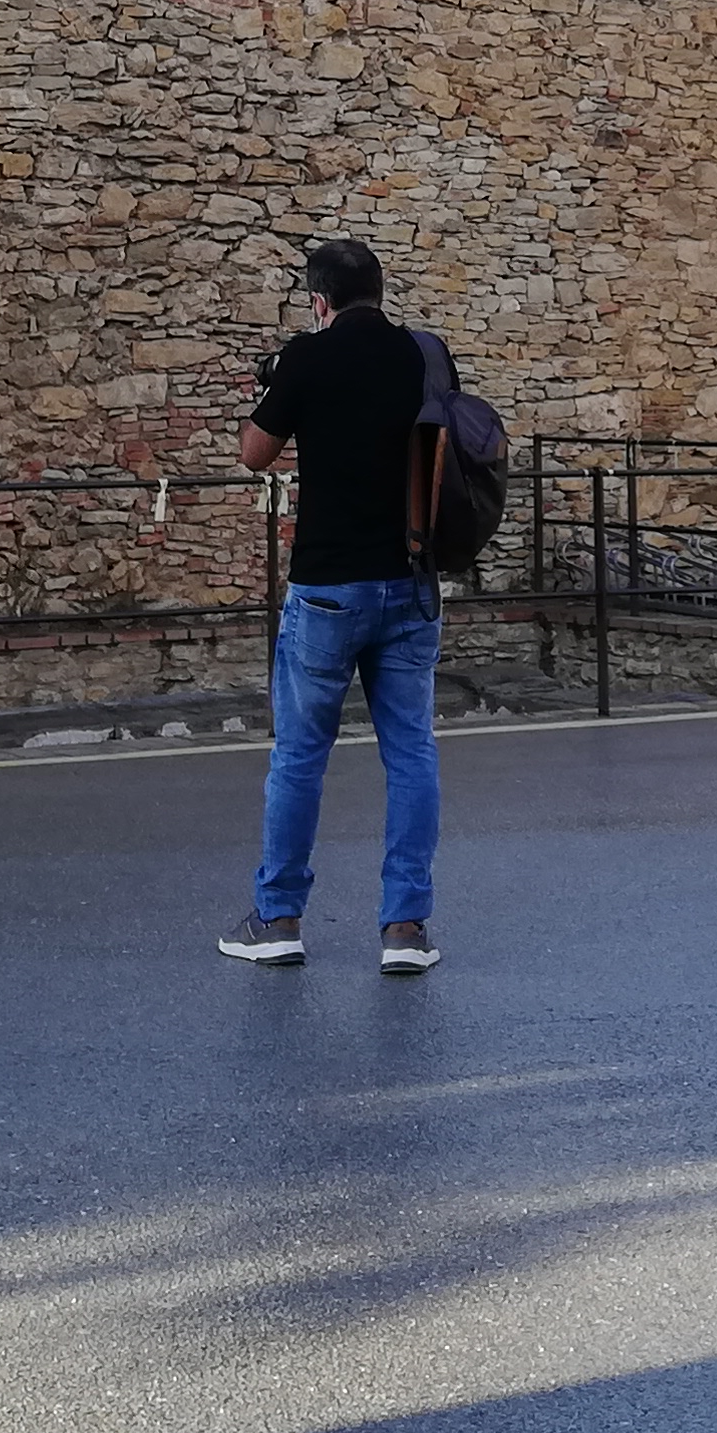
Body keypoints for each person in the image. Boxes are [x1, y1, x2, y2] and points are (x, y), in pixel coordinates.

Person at [217, 236, 447, 976]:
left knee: (299, 757)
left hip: (327, 589)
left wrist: (277, 383)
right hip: (408, 582)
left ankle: (279, 918)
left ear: (320, 300)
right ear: (379, 292)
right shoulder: (419, 355)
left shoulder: (308, 358)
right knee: (410, 753)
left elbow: (256, 453)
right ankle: (405, 930)